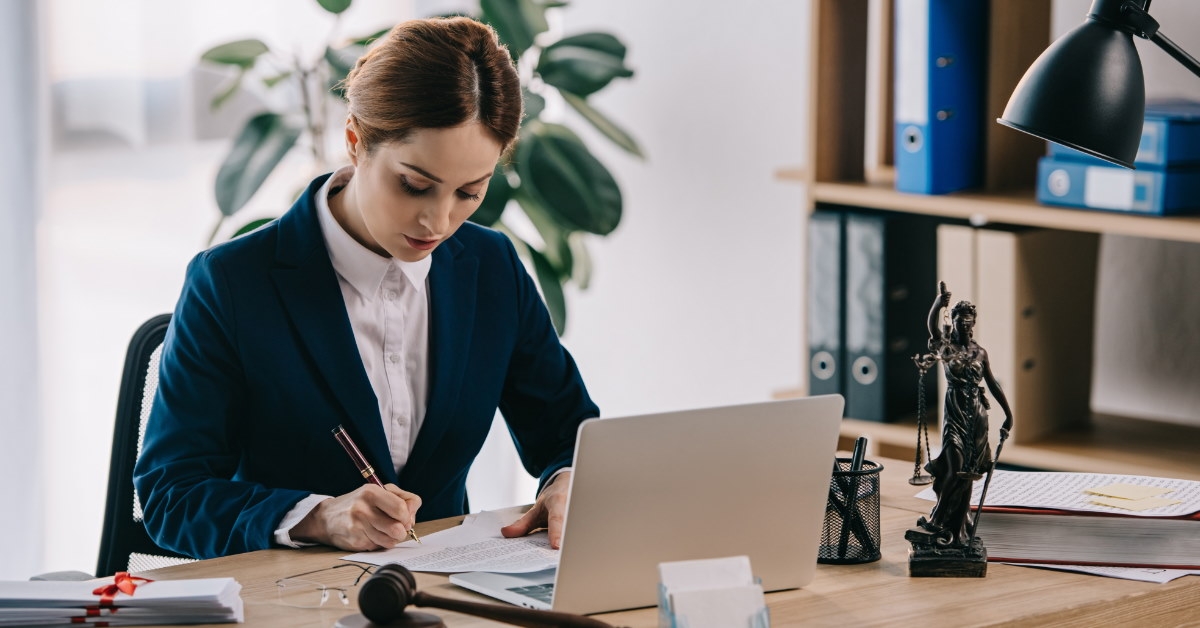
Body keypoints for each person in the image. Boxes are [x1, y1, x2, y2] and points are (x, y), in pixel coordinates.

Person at [133, 17, 598, 560]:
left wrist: (568, 479)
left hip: (444, 596)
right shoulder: (233, 282)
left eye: (470, 192)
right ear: (355, 142)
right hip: (290, 601)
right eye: (414, 185)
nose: (438, 222)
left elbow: (568, 432)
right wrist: (314, 516)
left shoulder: (490, 266)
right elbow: (172, 494)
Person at [913, 282, 1013, 547]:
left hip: (978, 416)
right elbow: (933, 328)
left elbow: (992, 384)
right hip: (955, 412)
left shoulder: (980, 352)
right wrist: (938, 303)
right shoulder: (948, 350)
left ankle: (958, 529)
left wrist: (1008, 413)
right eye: (960, 324)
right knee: (955, 467)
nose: (965, 328)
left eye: (969, 324)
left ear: (974, 324)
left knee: (968, 472)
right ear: (954, 323)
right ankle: (937, 520)